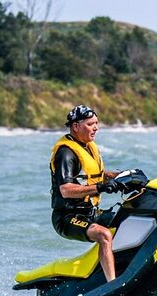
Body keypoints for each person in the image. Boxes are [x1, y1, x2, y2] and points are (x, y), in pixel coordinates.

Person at [50, 105, 123, 282]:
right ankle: (112, 284)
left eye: (96, 123)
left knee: (126, 218)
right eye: (91, 124)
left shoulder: (89, 146)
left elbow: (96, 175)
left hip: (90, 213)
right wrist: (100, 187)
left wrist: (122, 176)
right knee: (104, 235)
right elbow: (66, 190)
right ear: (76, 126)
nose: (96, 128)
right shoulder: (65, 153)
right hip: (68, 217)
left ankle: (122, 267)